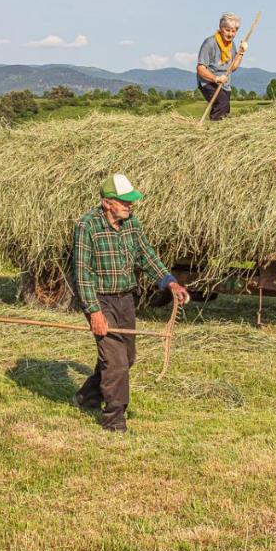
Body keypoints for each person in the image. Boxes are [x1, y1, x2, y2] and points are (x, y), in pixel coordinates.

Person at [71, 173, 189, 432]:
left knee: (128, 357)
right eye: (124, 201)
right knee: (116, 363)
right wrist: (94, 313)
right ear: (107, 203)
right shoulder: (87, 227)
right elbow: (82, 275)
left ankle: (88, 396)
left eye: (131, 201)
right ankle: (114, 421)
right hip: (99, 300)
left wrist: (170, 283)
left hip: (125, 298)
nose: (130, 205)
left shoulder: (132, 224)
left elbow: (147, 256)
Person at [196, 12, 249, 120]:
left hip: (224, 83)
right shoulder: (210, 43)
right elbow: (200, 68)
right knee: (222, 103)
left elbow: (232, 68)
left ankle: (218, 131)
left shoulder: (232, 45)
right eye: (227, 30)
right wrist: (216, 78)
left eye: (233, 31)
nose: (230, 34)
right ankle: (214, 133)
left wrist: (241, 53)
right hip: (208, 81)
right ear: (221, 28)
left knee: (225, 109)